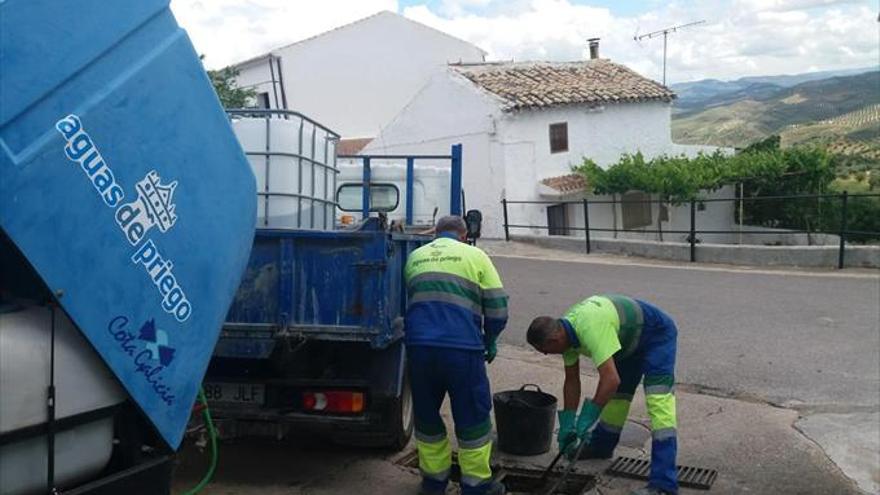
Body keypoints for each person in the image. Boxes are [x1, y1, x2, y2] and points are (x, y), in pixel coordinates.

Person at [526, 295, 679, 495]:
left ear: (555, 339)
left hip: (656, 334)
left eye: (545, 351)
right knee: (618, 398)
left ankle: (664, 485)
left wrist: (589, 415)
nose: (546, 355)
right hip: (627, 343)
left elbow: (610, 380)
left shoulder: (590, 329)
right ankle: (601, 446)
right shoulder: (565, 333)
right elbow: (572, 380)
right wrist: (568, 422)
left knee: (659, 403)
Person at [404, 215, 509, 495]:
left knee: (426, 417)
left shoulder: (415, 257)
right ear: (463, 235)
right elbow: (498, 308)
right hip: (462, 351)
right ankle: (475, 486)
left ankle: (434, 483)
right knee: (472, 417)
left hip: (419, 349)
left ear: (436, 234)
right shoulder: (475, 255)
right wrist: (491, 339)